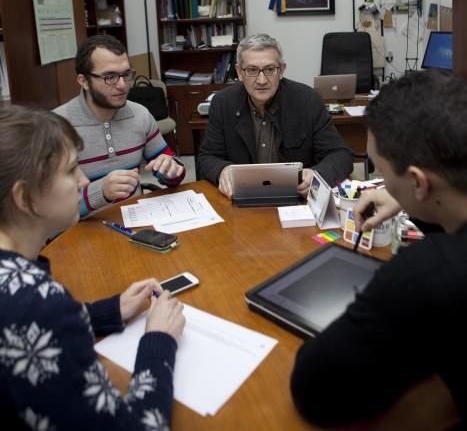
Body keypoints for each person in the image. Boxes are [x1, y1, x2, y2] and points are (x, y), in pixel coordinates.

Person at [290, 70, 467, 427]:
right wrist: (410, 198)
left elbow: (315, 389)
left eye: (383, 173)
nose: (383, 186)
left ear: (418, 180)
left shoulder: (426, 272)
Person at [0, 105, 185, 429]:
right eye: (71, 170)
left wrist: (108, 311)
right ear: (26, 197)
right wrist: (159, 340)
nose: (84, 180)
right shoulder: (38, 303)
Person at [198, 33, 353, 198]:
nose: (262, 80)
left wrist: (316, 175)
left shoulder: (308, 101)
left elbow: (341, 155)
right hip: (240, 201)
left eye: (270, 69)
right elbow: (207, 157)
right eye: (252, 70)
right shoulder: (223, 103)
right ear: (239, 72)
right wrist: (221, 170)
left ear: (282, 70)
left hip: (297, 201)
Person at [55, 35, 185, 218]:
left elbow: (172, 171)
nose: (123, 85)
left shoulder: (140, 115)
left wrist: (172, 170)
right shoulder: (55, 127)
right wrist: (101, 192)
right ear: (83, 81)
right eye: (110, 77)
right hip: (79, 232)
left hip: (135, 222)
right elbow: (51, 210)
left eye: (126, 74)